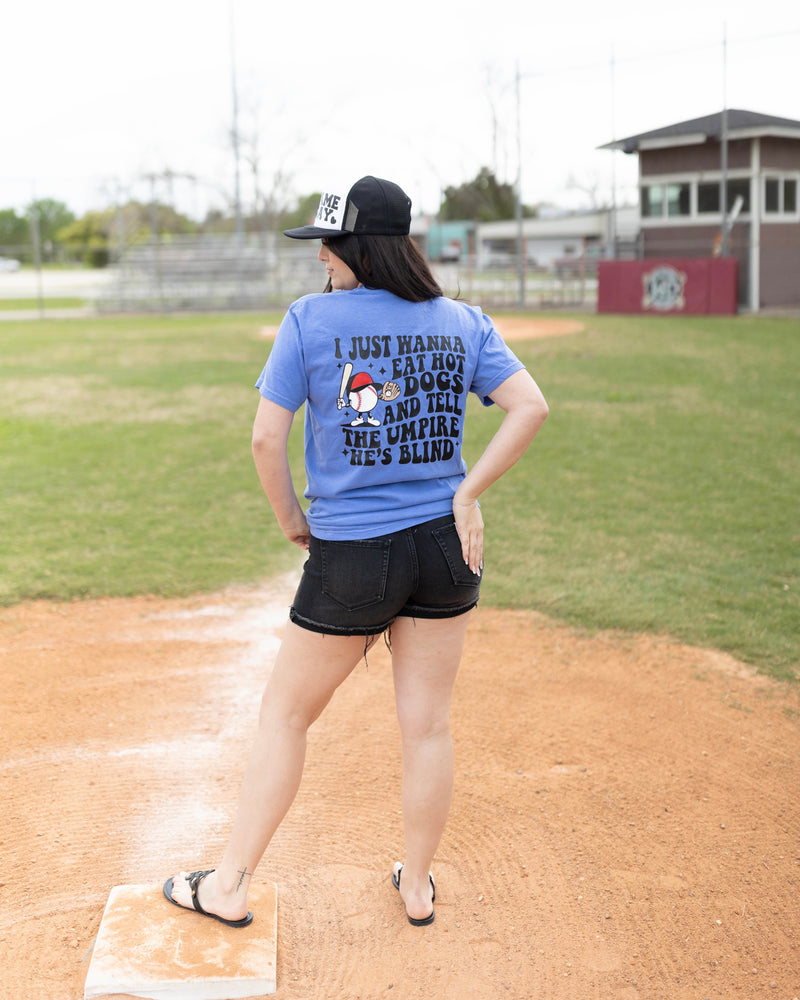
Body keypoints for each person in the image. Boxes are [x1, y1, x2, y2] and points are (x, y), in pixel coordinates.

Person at [164, 176, 549, 929]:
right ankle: (416, 887)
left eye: (330, 247)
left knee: (284, 715)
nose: (322, 262)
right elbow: (530, 406)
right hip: (445, 547)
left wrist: (291, 521)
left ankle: (229, 886)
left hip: (353, 555)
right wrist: (466, 493)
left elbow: (264, 437)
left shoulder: (310, 321)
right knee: (428, 726)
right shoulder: (464, 320)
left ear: (360, 247)